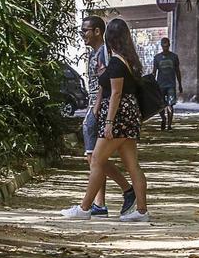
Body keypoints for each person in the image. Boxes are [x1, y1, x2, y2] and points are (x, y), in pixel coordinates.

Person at [62, 18, 150, 222]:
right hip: (128, 116)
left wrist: (109, 123)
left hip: (119, 117)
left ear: (110, 36)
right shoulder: (126, 59)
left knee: (96, 160)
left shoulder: (117, 61)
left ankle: (85, 208)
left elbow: (116, 94)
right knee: (132, 165)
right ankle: (142, 211)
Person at [78, 16, 135, 217]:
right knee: (93, 156)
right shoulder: (95, 53)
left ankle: (125, 191)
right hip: (94, 106)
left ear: (97, 31)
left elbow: (107, 85)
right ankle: (100, 203)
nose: (82, 35)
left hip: (98, 108)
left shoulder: (104, 52)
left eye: (86, 30)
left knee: (95, 157)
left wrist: (97, 110)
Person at [151, 37, 182, 130]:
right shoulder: (157, 58)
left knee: (170, 104)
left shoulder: (174, 57)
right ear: (161, 46)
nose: (165, 47)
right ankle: (163, 118)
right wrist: (152, 83)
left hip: (171, 85)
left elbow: (177, 71)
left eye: (167, 45)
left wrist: (180, 84)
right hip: (160, 85)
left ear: (169, 45)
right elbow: (154, 72)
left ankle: (169, 125)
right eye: (164, 46)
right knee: (160, 105)